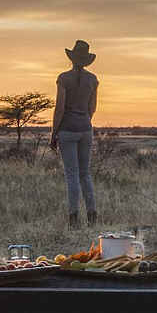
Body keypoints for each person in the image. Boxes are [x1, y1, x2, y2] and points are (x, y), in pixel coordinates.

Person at [50, 40, 99, 227]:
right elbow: (92, 108)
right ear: (86, 60)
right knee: (85, 174)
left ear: (71, 58)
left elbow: (59, 108)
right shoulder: (93, 80)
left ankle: (73, 218)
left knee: (72, 175)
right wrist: (84, 120)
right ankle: (92, 215)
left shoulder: (63, 79)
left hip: (67, 130)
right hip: (85, 129)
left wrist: (54, 133)